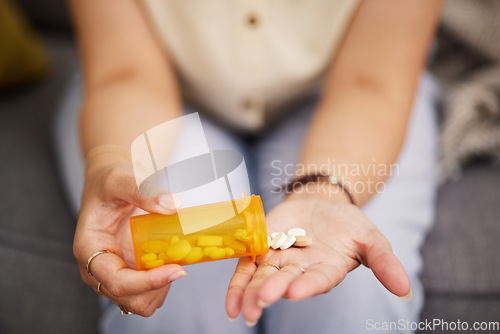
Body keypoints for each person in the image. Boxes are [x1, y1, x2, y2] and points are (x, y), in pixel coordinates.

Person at [55, 0, 443, 333]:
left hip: (353, 94)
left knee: (355, 301)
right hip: (147, 91)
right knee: (174, 290)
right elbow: (125, 73)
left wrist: (323, 193)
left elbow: (371, 81)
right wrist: (112, 163)